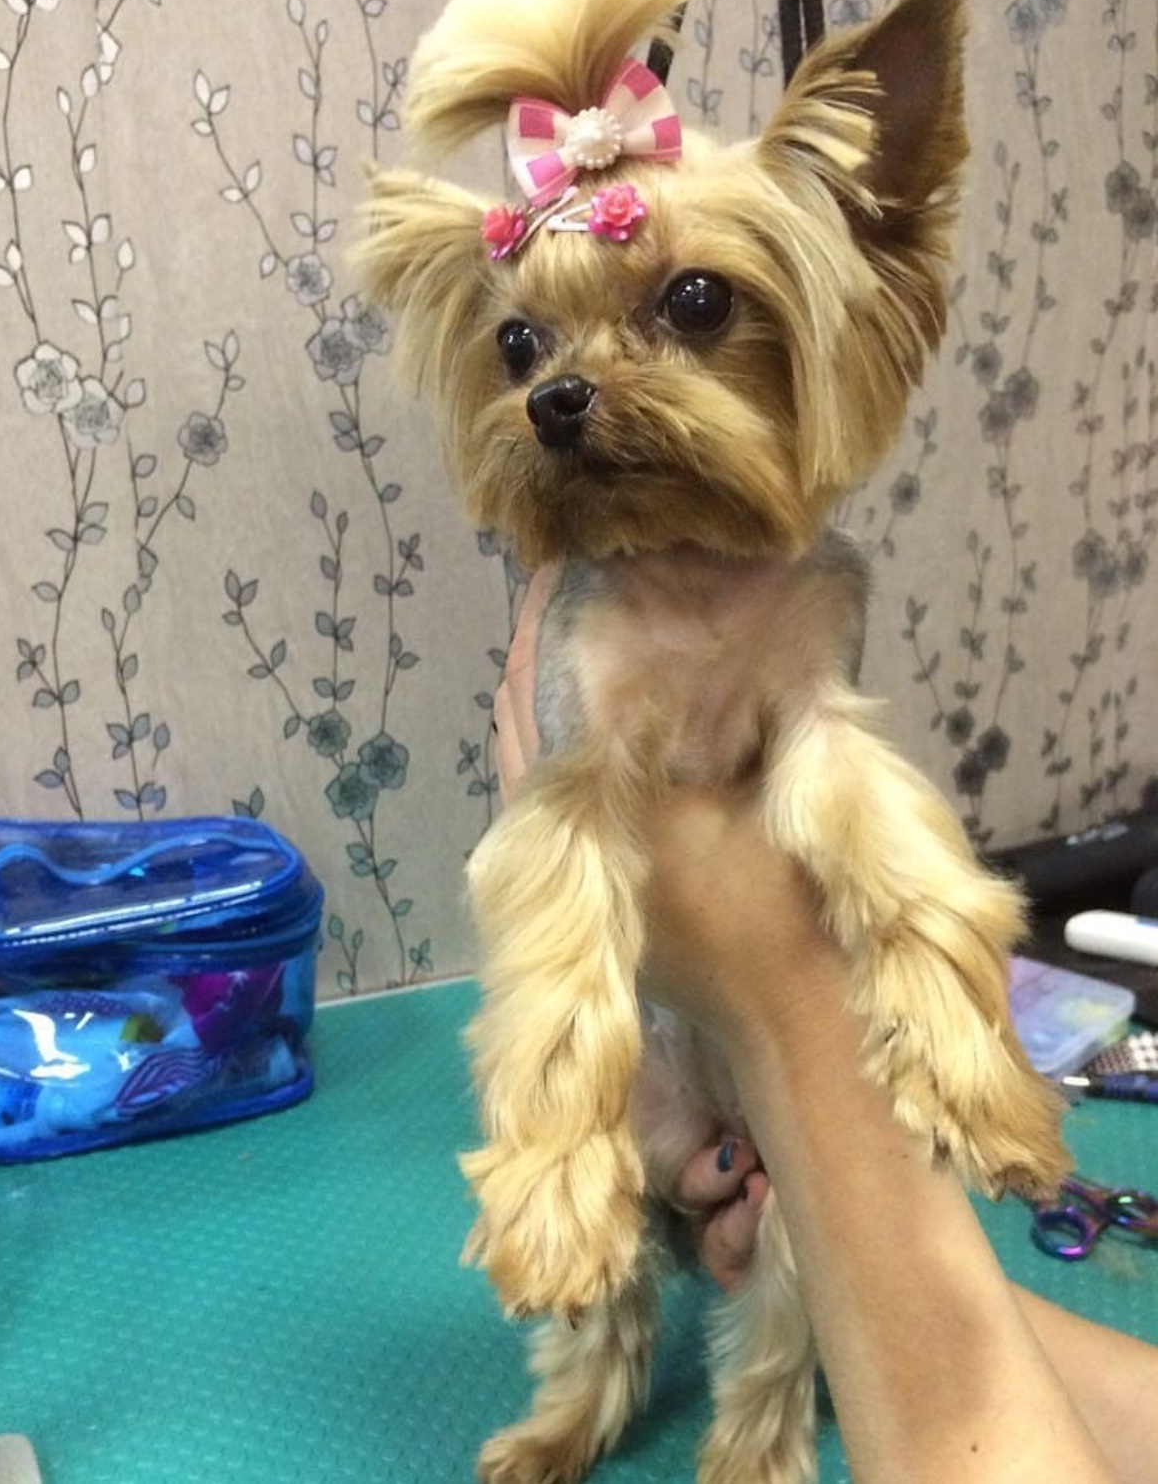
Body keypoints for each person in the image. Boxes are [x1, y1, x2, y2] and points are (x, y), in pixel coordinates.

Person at [492, 567, 1158, 1484]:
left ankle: (764, 1436)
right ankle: (582, 1400)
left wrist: (807, 1036)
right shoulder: (587, 606)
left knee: (780, 1245)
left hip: (761, 1085)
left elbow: (849, 806)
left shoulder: (812, 591)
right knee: (612, 1186)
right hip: (654, 1059)